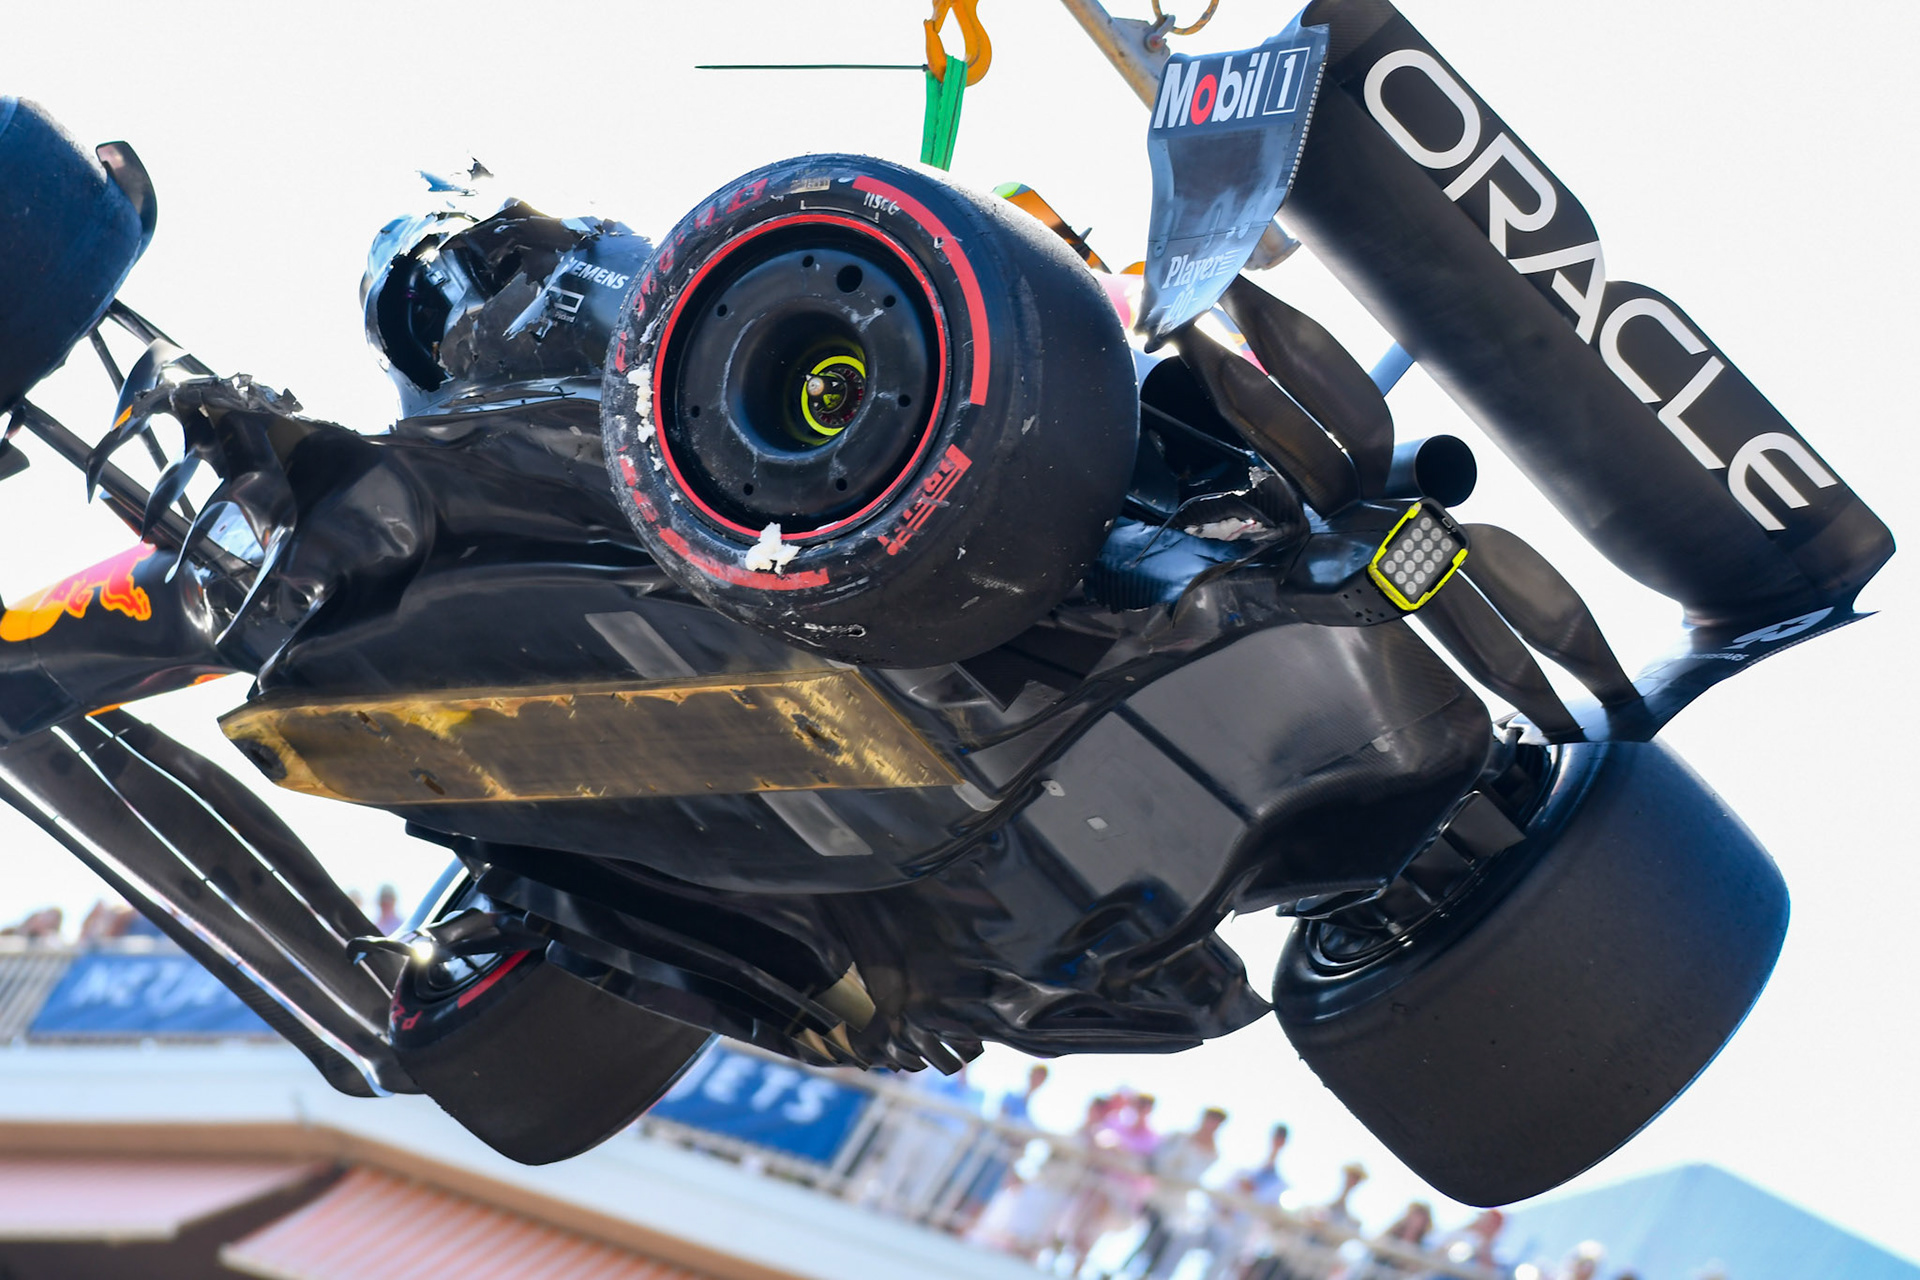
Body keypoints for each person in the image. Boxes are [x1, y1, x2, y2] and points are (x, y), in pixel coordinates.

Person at [1124, 1106, 1227, 1279]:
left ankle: (1140, 1272)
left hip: (1175, 1208)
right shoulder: (1178, 1137)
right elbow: (1161, 1161)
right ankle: (1128, 1269)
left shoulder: (1214, 1153)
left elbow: (1191, 1177)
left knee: (1162, 1241)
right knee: (1148, 1235)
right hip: (1154, 1196)